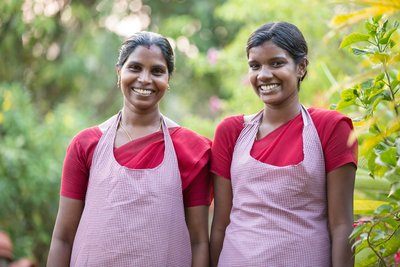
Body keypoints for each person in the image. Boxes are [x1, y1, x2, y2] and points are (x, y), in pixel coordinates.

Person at [47, 31, 212, 267]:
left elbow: (198, 241)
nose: (145, 79)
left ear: (168, 79)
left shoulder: (190, 149)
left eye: (157, 71)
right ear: (119, 72)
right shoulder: (86, 145)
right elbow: (63, 238)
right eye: (134, 67)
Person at [210, 21, 357, 267]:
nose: (264, 75)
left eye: (276, 63)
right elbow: (220, 225)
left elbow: (341, 225)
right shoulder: (232, 132)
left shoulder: (330, 128)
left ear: (301, 67)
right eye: (255, 66)